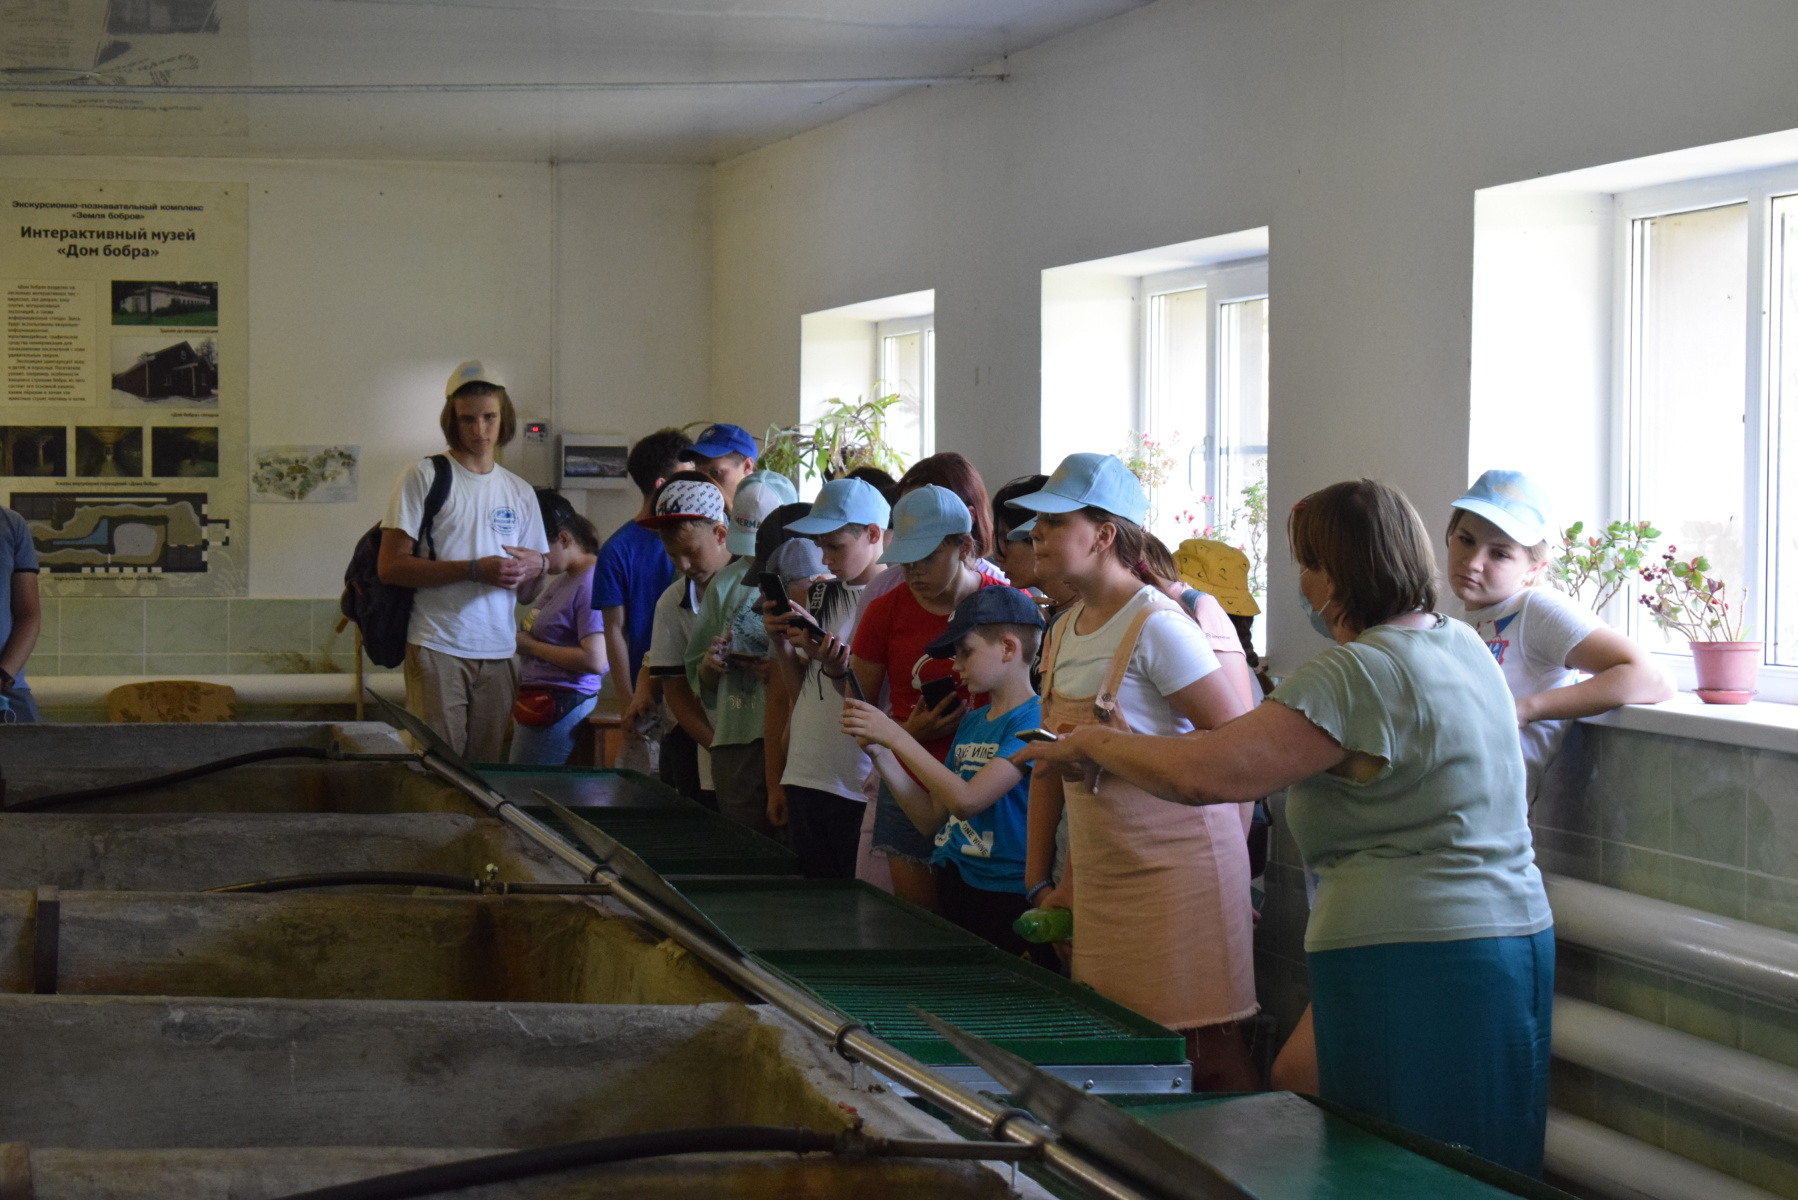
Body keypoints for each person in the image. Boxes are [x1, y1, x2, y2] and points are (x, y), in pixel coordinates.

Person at [1021, 479, 1555, 1177]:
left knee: (1404, 1164)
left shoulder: (1355, 675)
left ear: (1333, 574)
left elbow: (1207, 773)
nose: (1301, 581)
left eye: (1305, 562)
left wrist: (1092, 744)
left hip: (1418, 948)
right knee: (1466, 1147)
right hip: (1511, 932)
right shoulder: (1459, 646)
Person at [1008, 452, 1259, 1091]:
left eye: (1053, 522)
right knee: (1124, 1056)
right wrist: (1042, 882)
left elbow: (1239, 752)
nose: (1034, 534)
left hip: (1181, 878)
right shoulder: (1061, 630)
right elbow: (1047, 765)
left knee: (1205, 1050)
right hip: (1101, 876)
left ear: (1104, 535)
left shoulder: (1160, 628)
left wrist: (1232, 884)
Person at [841, 587, 1053, 966]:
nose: (955, 665)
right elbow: (929, 818)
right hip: (957, 881)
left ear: (1008, 649)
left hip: (1008, 894)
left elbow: (967, 801)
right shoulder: (972, 721)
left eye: (965, 652)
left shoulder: (1033, 719)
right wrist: (882, 753)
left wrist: (897, 734)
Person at [1448, 469, 1673, 798]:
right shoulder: (1462, 617)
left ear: (1533, 570)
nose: (1473, 562)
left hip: (1488, 828)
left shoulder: (1536, 609)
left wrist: (1526, 709)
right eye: (1466, 539)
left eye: (1499, 553)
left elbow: (1653, 678)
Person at [378, 360, 548, 760]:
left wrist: (535, 567)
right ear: (451, 421)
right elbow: (391, 566)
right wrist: (474, 569)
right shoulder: (424, 476)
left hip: (500, 651)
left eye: (489, 417)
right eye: (467, 419)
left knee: (486, 774)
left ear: (503, 417)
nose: (480, 430)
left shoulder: (520, 491)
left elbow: (528, 592)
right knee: (439, 768)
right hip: (438, 645)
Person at [765, 477, 891, 877]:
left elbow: (874, 696)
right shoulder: (822, 593)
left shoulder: (893, 597)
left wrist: (838, 665)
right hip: (807, 768)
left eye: (835, 546)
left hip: (854, 780)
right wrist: (782, 643)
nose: (825, 558)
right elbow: (804, 690)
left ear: (874, 534)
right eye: (820, 546)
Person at [683, 469, 799, 835]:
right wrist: (711, 665)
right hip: (736, 738)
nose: (754, 561)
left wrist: (780, 669)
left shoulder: (802, 581)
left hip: (787, 737)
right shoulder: (725, 583)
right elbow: (697, 676)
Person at [640, 472, 734, 809]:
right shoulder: (671, 602)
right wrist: (720, 750)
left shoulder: (754, 586)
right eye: (671, 555)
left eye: (691, 552)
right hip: (708, 755)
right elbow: (676, 693)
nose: (683, 565)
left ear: (721, 533)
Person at [599, 428, 691, 772]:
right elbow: (614, 632)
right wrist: (630, 703)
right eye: (686, 479)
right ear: (661, 486)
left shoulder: (702, 538)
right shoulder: (618, 550)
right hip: (650, 695)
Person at [510, 490, 607, 765]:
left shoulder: (589, 582)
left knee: (524, 793)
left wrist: (530, 646)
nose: (535, 559)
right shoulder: (565, 578)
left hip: (560, 699)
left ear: (564, 539)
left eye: (539, 552)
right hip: (541, 697)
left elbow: (594, 659)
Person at [0, 503, 42, 723]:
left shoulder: (11, 524)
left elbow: (29, 615)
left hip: (6, 687)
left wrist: (4, 675)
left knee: (37, 754)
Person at [679, 423, 758, 504]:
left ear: (747, 466)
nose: (703, 485)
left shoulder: (767, 513)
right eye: (699, 475)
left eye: (715, 473)